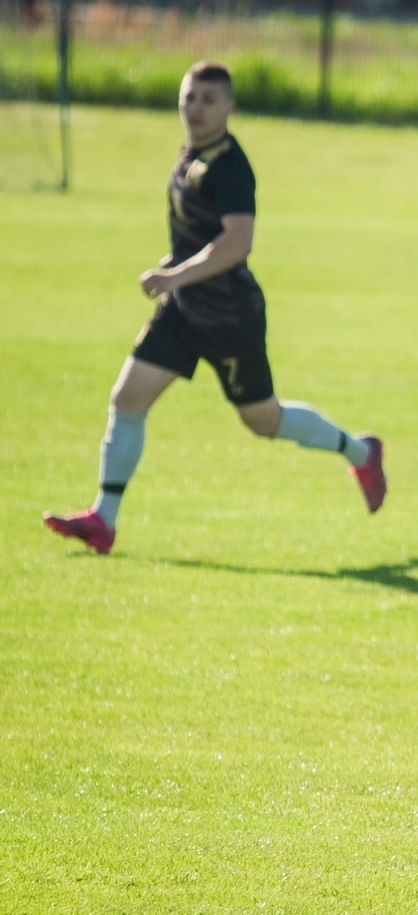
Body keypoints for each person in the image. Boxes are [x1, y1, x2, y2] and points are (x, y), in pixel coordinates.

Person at [43, 61, 384, 554]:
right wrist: (177, 268)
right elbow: (198, 234)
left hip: (229, 316)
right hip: (184, 309)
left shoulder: (229, 165)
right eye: (189, 98)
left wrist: (173, 275)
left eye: (208, 99)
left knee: (262, 420)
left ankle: (361, 451)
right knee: (128, 398)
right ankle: (104, 518)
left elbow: (237, 243)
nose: (196, 108)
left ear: (230, 107)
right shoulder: (190, 153)